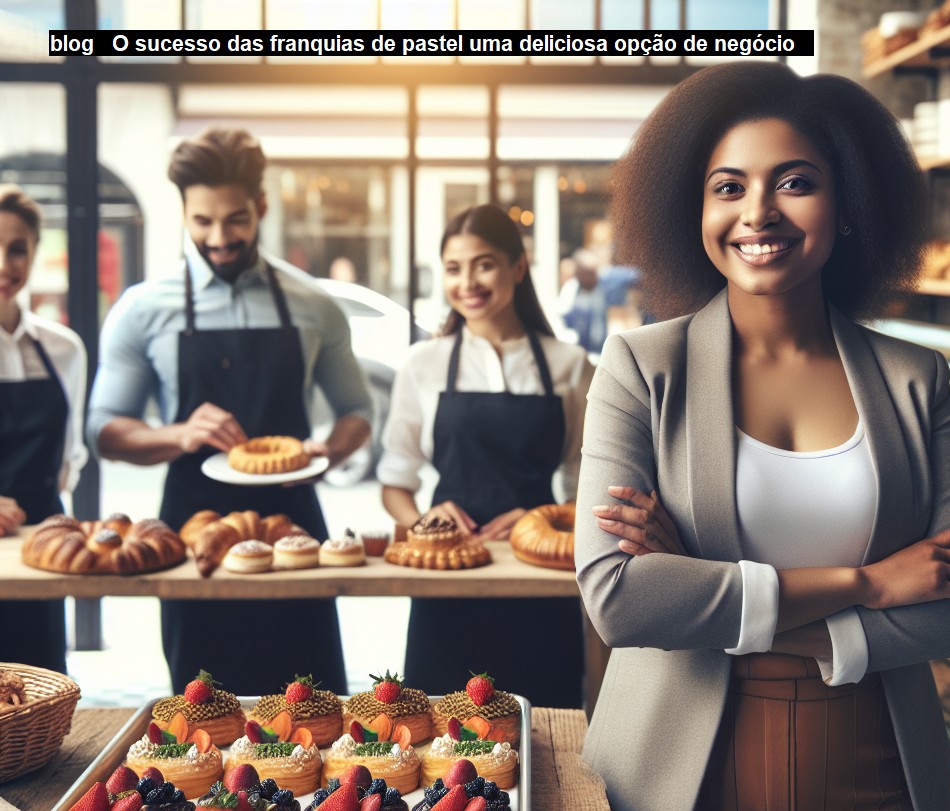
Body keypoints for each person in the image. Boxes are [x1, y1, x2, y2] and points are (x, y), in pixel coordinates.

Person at [575, 62, 950, 811]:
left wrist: (726, 589)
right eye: (729, 186)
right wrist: (869, 579)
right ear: (693, 206)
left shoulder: (913, 380)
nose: (757, 211)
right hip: (694, 792)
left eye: (794, 181)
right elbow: (621, 598)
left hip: (877, 790)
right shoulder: (644, 370)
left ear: (847, 204)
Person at [87, 127, 372, 695]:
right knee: (203, 720)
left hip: (295, 537)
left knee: (312, 714)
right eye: (203, 222)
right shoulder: (143, 308)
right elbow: (105, 430)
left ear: (261, 206)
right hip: (194, 540)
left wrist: (327, 447)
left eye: (236, 219)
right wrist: (179, 434)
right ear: (184, 213)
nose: (220, 237)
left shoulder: (313, 305)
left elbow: (357, 411)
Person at [378, 204, 594, 706]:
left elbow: (586, 478)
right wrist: (423, 523)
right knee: (440, 742)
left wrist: (545, 519)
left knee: (546, 728)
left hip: (539, 579)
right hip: (447, 580)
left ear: (518, 268)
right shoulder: (423, 364)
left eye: (484, 264)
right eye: (453, 268)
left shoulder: (570, 364)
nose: (467, 281)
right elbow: (395, 481)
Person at [0, 184, 87, 673]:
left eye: (17, 249)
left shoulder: (64, 349)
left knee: (43, 698)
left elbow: (69, 459)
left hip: (42, 552)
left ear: (35, 252)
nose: (4, 264)